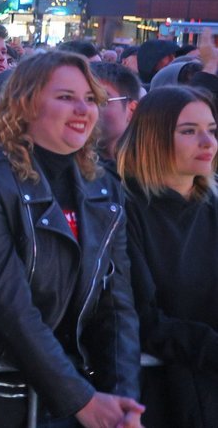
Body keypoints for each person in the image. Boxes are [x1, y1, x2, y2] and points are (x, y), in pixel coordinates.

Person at [0, 51, 143, 427]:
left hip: (78, 395)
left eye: (90, 99)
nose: (83, 109)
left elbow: (117, 306)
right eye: (66, 97)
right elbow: (8, 305)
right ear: (25, 104)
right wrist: (80, 400)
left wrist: (122, 402)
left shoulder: (104, 186)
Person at [118, 86, 218, 426]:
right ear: (154, 137)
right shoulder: (122, 207)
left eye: (212, 130)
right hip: (155, 398)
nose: (207, 142)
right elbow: (138, 316)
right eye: (189, 131)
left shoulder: (212, 207)